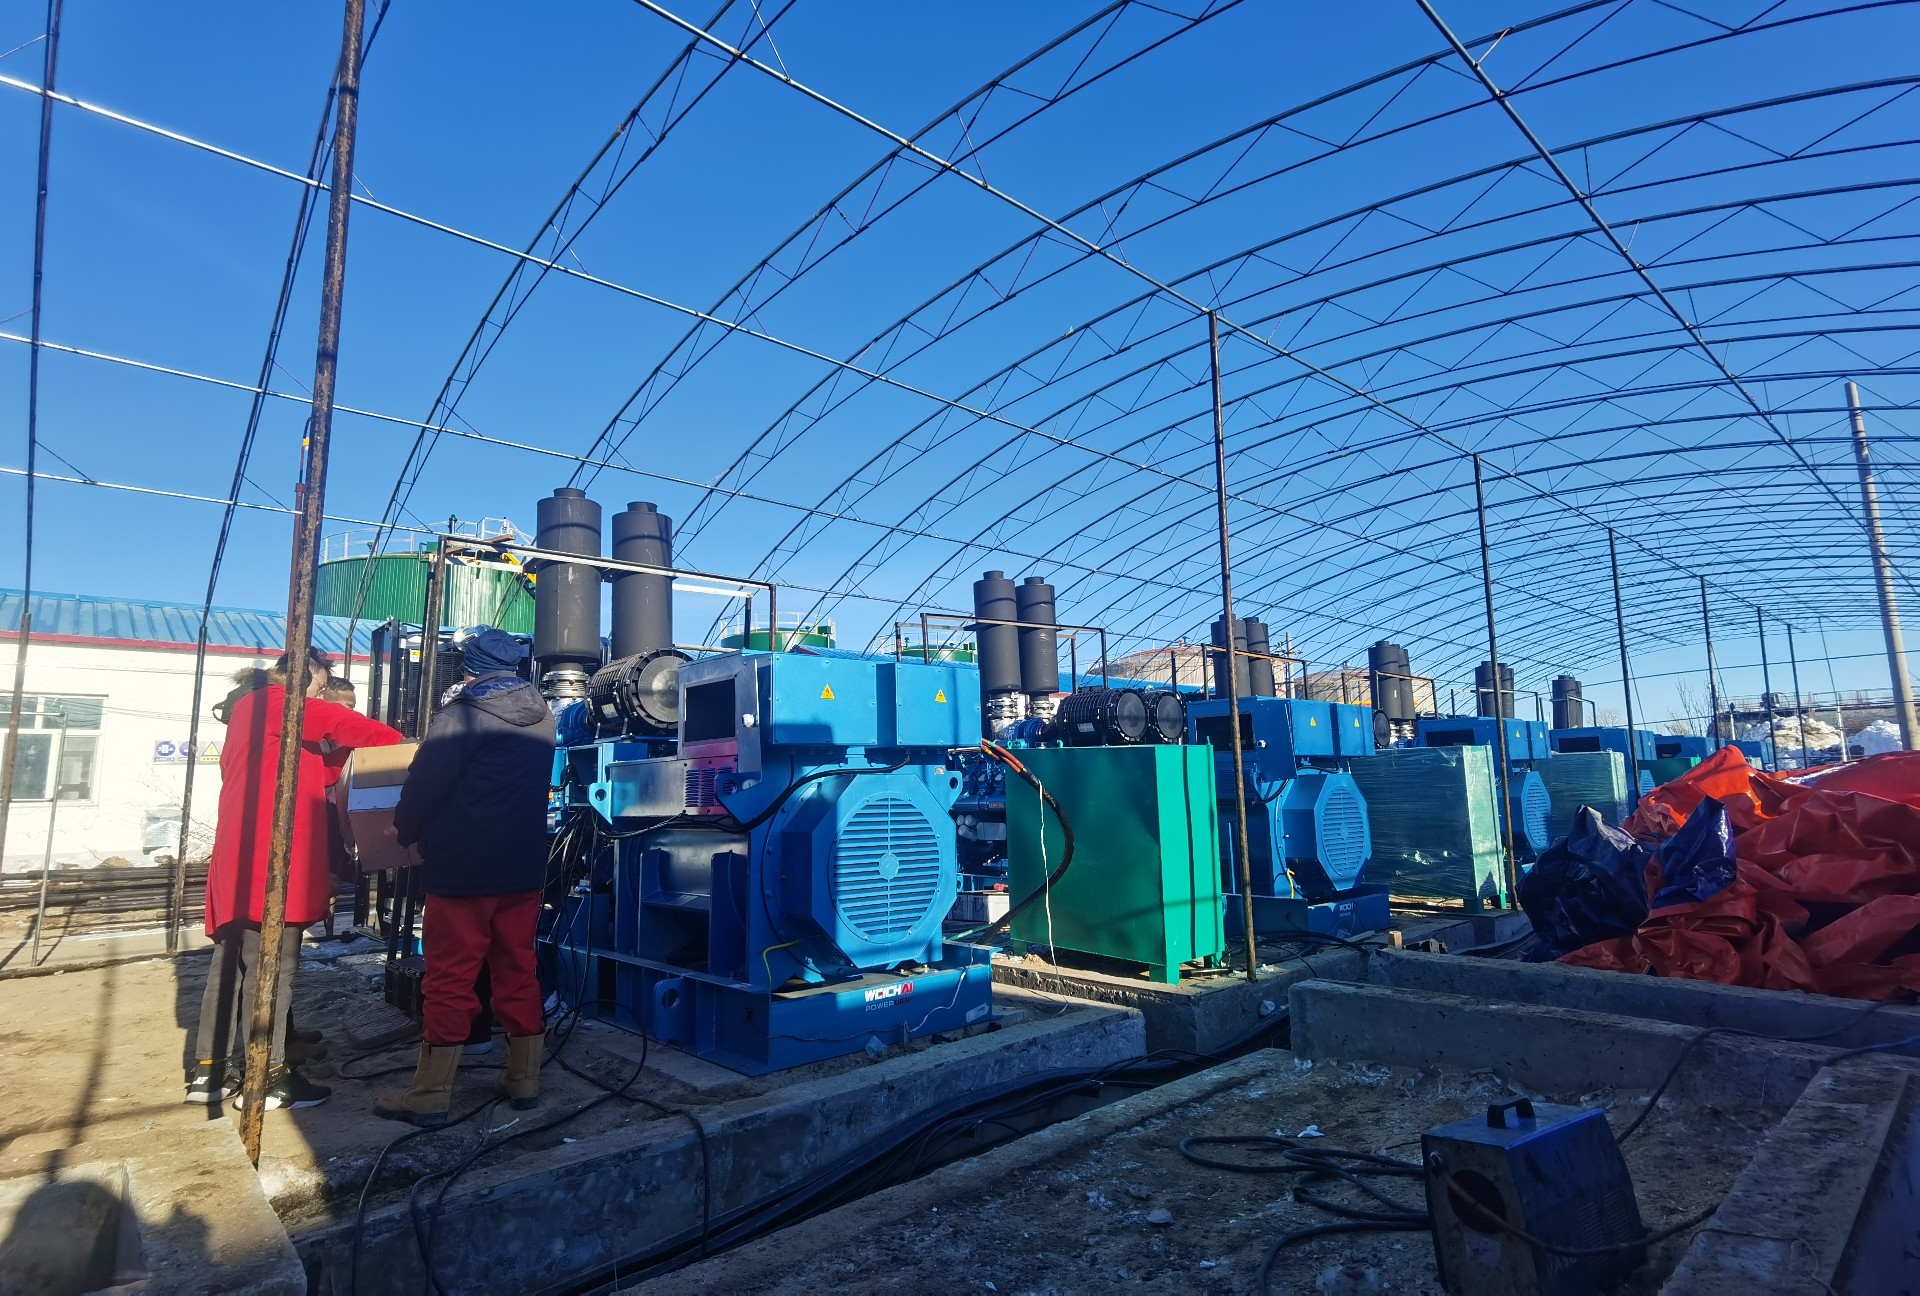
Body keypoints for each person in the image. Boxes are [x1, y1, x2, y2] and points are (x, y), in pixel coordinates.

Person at [189, 649, 403, 1108]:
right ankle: (266, 1078)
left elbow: (314, 768)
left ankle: (210, 1071)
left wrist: (346, 758)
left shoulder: (250, 713)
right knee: (272, 968)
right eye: (320, 687)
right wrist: (400, 744)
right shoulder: (278, 702)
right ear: (305, 674)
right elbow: (354, 727)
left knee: (231, 967)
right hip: (271, 862)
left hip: (240, 858)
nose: (319, 697)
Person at [379, 628, 554, 1127]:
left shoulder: (461, 715)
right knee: (517, 968)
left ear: (470, 668)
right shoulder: (543, 716)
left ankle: (431, 1093)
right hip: (521, 866)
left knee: (450, 977)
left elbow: (425, 783)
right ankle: (524, 1078)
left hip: (462, 869)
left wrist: (404, 828)